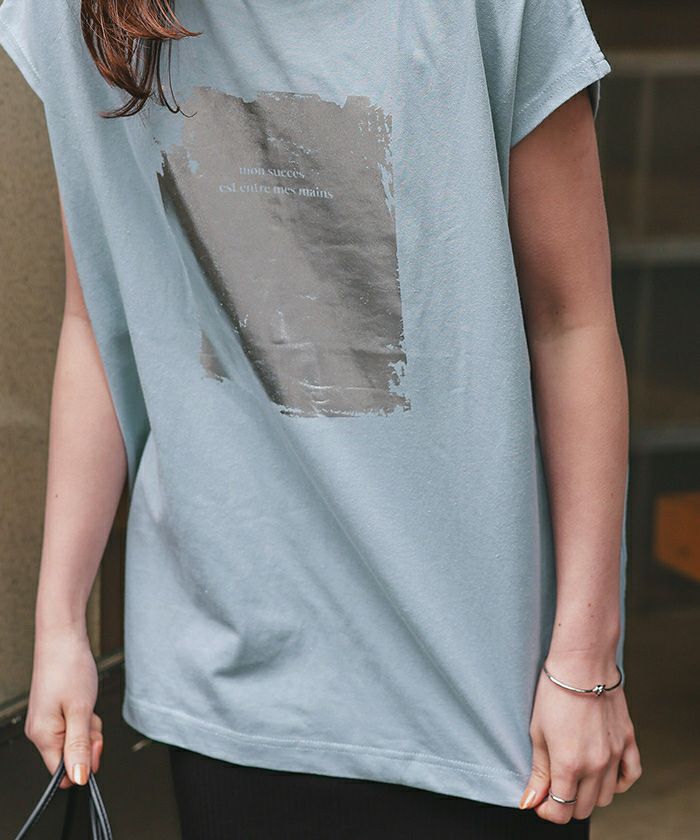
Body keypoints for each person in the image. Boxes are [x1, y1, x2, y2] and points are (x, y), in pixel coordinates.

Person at [0, 0, 642, 837]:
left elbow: (572, 322)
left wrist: (587, 661)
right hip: (235, 689)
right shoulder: (79, 15)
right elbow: (100, 322)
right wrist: (59, 625)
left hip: (486, 704)